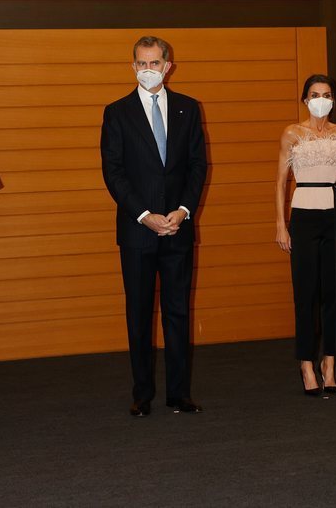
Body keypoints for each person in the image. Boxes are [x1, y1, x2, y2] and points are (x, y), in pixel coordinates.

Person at [100, 35, 208, 417]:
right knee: (139, 312)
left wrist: (182, 210)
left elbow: (198, 166)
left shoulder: (188, 109)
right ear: (133, 67)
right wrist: (144, 216)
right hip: (137, 230)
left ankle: (179, 393)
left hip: (178, 228)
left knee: (178, 310)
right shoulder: (117, 112)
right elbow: (113, 172)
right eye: (141, 64)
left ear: (168, 66)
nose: (148, 70)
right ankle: (142, 394)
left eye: (155, 64)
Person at [275, 75, 336, 396]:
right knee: (305, 293)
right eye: (314, 94)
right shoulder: (292, 133)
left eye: (326, 94)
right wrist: (281, 225)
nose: (320, 99)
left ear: (333, 100)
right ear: (305, 99)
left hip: (335, 216)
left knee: (335, 293)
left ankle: (329, 363)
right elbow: (281, 182)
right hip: (303, 216)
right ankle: (306, 364)